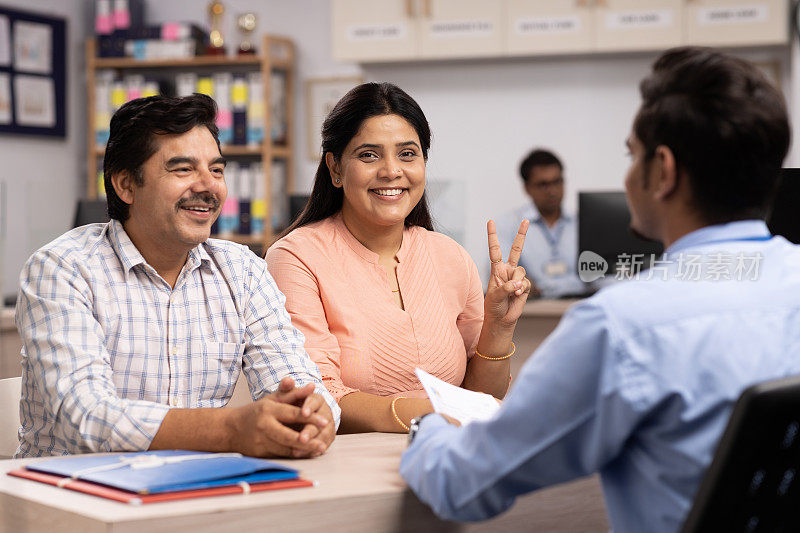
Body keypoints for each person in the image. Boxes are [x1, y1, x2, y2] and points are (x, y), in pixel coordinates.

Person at [400, 46, 797, 532]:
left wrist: (428, 429)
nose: (628, 175)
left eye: (632, 156)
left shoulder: (623, 326)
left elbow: (463, 485)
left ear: (664, 171)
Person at [15, 94, 339, 458]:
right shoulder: (62, 268)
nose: (208, 186)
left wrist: (313, 411)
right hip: (71, 496)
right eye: (183, 169)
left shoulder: (242, 270)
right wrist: (231, 430)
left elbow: (297, 377)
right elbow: (88, 419)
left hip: (195, 491)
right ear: (125, 185)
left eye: (216, 170)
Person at [266, 82, 531, 433]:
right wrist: (428, 416)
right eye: (369, 155)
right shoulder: (295, 258)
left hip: (447, 458)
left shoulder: (450, 256)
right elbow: (318, 395)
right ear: (335, 168)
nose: (392, 171)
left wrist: (499, 326)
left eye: (407, 154)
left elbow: (479, 397)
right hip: (348, 467)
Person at [495, 149, 585, 298]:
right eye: (543, 184)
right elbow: (504, 277)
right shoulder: (509, 225)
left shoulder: (582, 222)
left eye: (557, 182)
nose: (552, 191)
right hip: (531, 312)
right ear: (527, 188)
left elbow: (598, 275)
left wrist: (540, 287)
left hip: (578, 305)